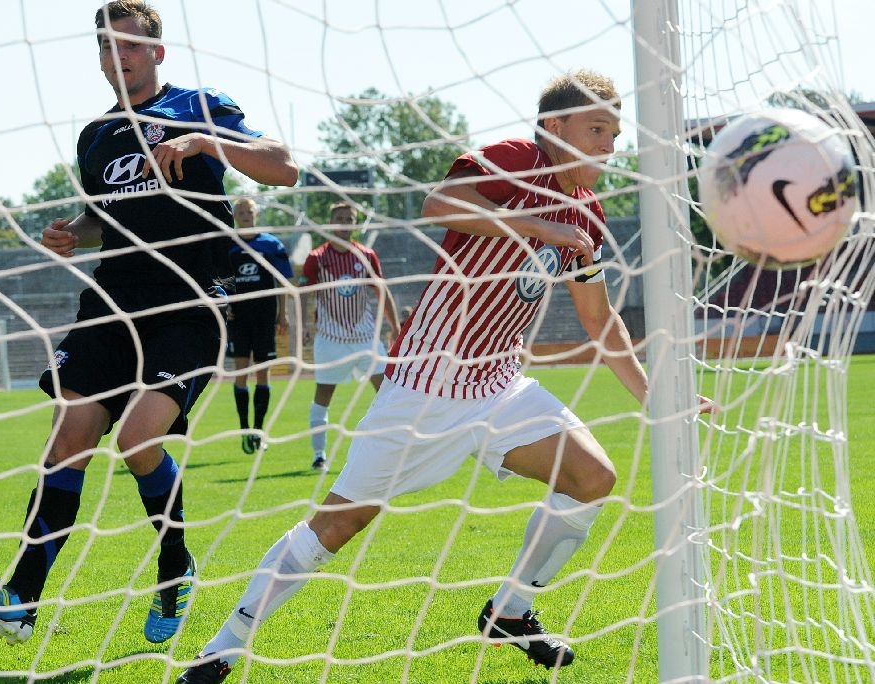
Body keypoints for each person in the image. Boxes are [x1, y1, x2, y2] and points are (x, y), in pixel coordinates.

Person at [175, 70, 714, 683]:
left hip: (500, 385)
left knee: (592, 477)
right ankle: (224, 646)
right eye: (596, 129)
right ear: (554, 128)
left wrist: (654, 399)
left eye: (615, 135)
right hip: (423, 387)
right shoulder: (517, 159)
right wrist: (542, 227)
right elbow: (440, 205)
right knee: (337, 525)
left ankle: (510, 612)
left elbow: (599, 318)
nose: (607, 145)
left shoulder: (588, 217)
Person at [0, 0, 297, 646]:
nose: (118, 58)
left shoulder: (200, 103)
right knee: (70, 436)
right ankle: (21, 598)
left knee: (138, 441)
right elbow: (99, 216)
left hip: (187, 303)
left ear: (156, 52)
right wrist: (69, 234)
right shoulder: (96, 136)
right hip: (111, 303)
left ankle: (174, 566)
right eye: (107, 48)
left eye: (129, 46)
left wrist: (203, 141)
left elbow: (283, 165)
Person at [300, 202, 400, 471]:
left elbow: (381, 291)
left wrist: (394, 326)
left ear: (355, 224)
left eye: (350, 219)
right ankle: (319, 454)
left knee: (388, 392)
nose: (344, 223)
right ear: (331, 223)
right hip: (331, 340)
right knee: (323, 394)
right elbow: (304, 293)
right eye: (340, 218)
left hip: (366, 338)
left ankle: (388, 449)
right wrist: (304, 326)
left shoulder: (366, 254)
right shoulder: (317, 258)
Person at [226, 197, 293, 454]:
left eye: (249, 211)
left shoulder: (270, 244)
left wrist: (283, 314)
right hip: (239, 319)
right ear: (234, 216)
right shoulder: (228, 244)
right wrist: (225, 306)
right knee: (241, 372)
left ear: (256, 214)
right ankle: (245, 430)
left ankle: (259, 431)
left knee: (263, 373)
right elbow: (220, 281)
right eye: (240, 211)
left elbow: (283, 281)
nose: (245, 215)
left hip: (265, 317)